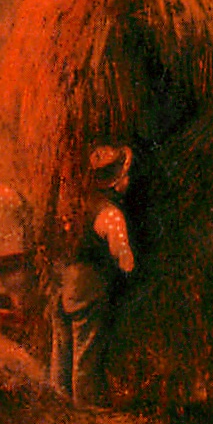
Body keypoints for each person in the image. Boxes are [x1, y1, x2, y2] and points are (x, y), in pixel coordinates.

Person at [50, 145, 135, 406]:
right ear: (117, 181)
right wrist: (128, 266)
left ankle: (58, 406)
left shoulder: (77, 204)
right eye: (126, 175)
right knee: (85, 355)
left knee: (61, 353)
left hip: (62, 287)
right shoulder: (111, 214)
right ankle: (85, 410)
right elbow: (123, 257)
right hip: (87, 291)